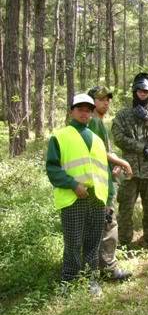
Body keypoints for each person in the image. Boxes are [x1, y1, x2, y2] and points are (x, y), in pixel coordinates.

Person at [46, 93, 110, 295]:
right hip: (74, 197)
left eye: (88, 110)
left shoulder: (98, 140)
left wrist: (107, 197)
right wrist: (73, 184)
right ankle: (69, 281)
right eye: (80, 109)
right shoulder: (60, 136)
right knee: (73, 242)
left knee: (93, 241)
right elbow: (53, 168)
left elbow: (103, 170)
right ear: (71, 111)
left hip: (97, 198)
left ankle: (91, 280)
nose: (84, 113)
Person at [111, 73, 148, 249]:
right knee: (126, 208)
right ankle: (124, 243)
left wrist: (147, 121)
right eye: (140, 91)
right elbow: (118, 138)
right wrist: (142, 147)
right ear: (134, 91)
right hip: (129, 170)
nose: (143, 94)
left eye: (146, 92)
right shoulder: (123, 115)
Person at [87, 86, 132, 280]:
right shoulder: (94, 122)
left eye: (108, 99)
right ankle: (109, 268)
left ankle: (97, 266)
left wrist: (113, 165)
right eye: (101, 99)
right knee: (108, 224)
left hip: (103, 180)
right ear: (92, 102)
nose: (106, 102)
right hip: (100, 185)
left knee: (102, 224)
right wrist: (121, 162)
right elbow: (99, 152)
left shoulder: (98, 122)